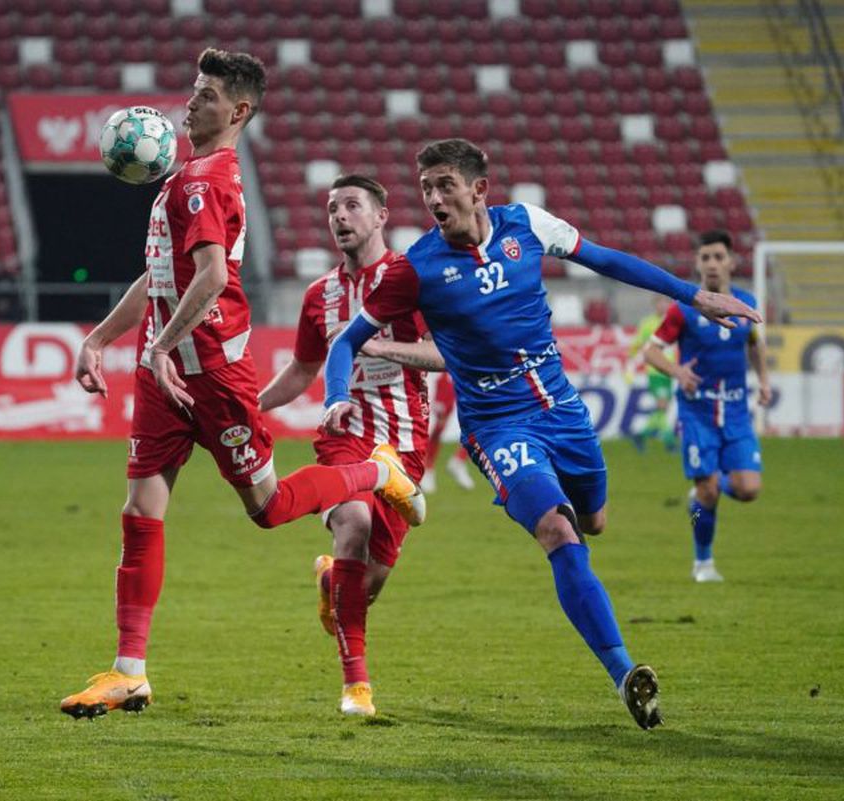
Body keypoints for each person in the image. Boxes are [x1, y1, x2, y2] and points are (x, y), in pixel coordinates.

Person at [322, 139, 761, 729]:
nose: (433, 198)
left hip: (564, 412)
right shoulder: (415, 268)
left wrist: (692, 294)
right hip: (497, 427)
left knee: (592, 521)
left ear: (479, 189)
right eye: (426, 187)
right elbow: (347, 339)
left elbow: (605, 259)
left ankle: (592, 558)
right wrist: (336, 395)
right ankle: (625, 673)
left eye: (445, 184)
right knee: (558, 530)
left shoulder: (526, 225)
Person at [59, 50, 423, 720]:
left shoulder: (211, 182)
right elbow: (162, 277)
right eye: (193, 92)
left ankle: (375, 475)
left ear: (239, 111)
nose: (191, 103)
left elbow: (212, 280)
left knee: (269, 506)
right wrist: (102, 338)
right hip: (161, 367)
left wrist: (165, 345)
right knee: (140, 510)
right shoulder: (180, 179)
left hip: (211, 372)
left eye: (206, 95)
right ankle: (128, 671)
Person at [258, 174, 428, 717]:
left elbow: (444, 355)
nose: (339, 216)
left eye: (352, 206)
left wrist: (374, 343)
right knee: (352, 524)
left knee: (364, 581)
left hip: (403, 444)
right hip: (344, 439)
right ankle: (357, 686)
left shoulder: (413, 281)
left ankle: (332, 578)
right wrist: (246, 410)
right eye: (333, 208)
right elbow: (302, 370)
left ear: (380, 216)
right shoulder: (319, 296)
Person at [642, 230, 770, 583]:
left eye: (718, 257)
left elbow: (756, 344)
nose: (712, 263)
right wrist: (677, 371)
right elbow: (650, 351)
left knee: (748, 490)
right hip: (697, 412)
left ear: (731, 261)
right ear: (698, 263)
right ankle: (703, 562)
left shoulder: (746, 303)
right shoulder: (684, 308)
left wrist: (765, 381)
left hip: (736, 412)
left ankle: (701, 493)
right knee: (707, 492)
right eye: (705, 258)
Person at [627, 295, 678, 452]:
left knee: (663, 408)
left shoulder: (673, 321)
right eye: (660, 302)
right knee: (662, 404)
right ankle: (669, 441)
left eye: (666, 302)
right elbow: (636, 345)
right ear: (654, 305)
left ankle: (641, 435)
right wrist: (630, 367)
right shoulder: (648, 323)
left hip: (669, 370)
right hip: (655, 370)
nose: (663, 306)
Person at [420, 372, 476, 492]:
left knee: (480, 422)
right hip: (446, 373)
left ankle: (459, 460)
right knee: (439, 425)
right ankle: (428, 470)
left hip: (471, 374)